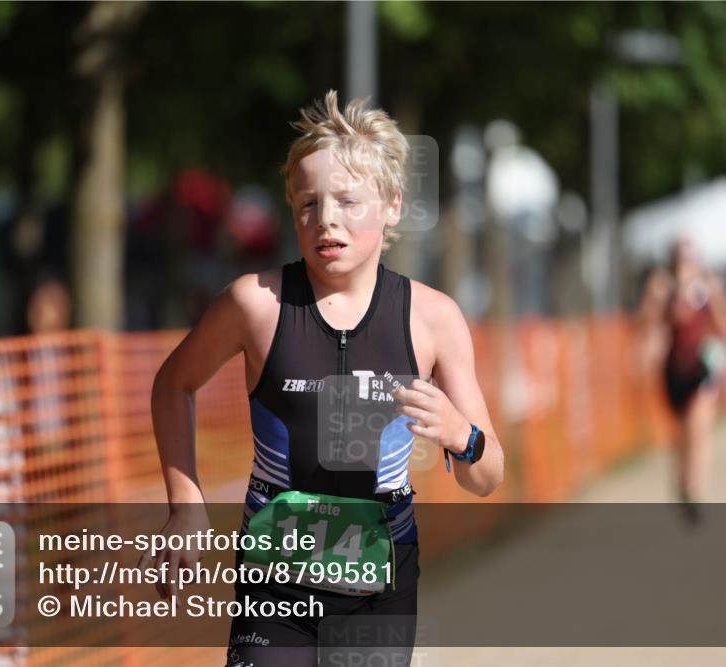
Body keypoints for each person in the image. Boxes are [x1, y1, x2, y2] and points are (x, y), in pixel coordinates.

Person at [139, 90, 503, 666]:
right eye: (309, 203)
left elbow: (486, 477)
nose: (326, 218)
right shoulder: (255, 304)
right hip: (275, 581)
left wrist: (463, 435)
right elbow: (173, 383)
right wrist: (185, 503)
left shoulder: (433, 318)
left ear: (392, 206)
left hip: (379, 586)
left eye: (348, 201)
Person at [641, 237, 726, 523]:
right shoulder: (666, 291)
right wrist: (654, 299)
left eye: (690, 259)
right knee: (681, 436)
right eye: (681, 259)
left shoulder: (706, 291)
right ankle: (683, 485)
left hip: (700, 369)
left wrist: (717, 296)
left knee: (699, 431)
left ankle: (697, 491)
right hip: (674, 372)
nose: (686, 265)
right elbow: (647, 325)